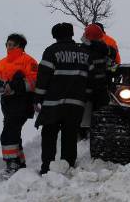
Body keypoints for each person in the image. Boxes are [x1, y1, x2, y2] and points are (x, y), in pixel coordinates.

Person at [34, 23, 93, 175]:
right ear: (72, 34)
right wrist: (86, 96)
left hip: (53, 103)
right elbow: (91, 78)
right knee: (70, 135)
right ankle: (68, 165)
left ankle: (47, 166)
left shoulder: (51, 51)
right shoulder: (85, 52)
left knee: (49, 134)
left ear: (54, 36)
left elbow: (43, 77)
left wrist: (38, 98)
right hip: (76, 104)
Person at [0, 33, 38, 177]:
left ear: (20, 46)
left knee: (8, 134)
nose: (8, 47)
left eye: (12, 44)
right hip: (7, 105)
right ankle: (20, 163)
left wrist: (15, 86)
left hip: (23, 103)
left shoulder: (29, 61)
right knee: (13, 133)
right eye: (7, 44)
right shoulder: (1, 63)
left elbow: (34, 82)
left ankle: (13, 165)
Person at [79, 24, 112, 138]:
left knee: (85, 113)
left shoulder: (82, 50)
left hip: (86, 87)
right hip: (102, 87)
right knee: (102, 112)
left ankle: (83, 134)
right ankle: (100, 131)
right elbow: (110, 61)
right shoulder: (104, 49)